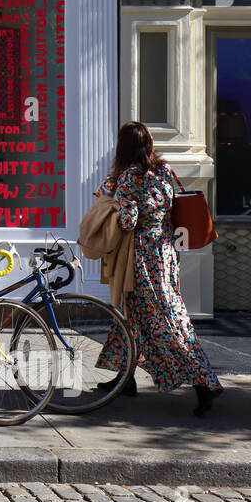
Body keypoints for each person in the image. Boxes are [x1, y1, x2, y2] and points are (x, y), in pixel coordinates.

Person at [93, 121, 224, 417]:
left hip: (141, 259)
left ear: (123, 147)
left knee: (165, 322)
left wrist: (110, 203)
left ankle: (206, 383)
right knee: (134, 316)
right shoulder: (164, 171)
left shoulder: (128, 179)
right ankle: (123, 379)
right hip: (165, 253)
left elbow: (127, 222)